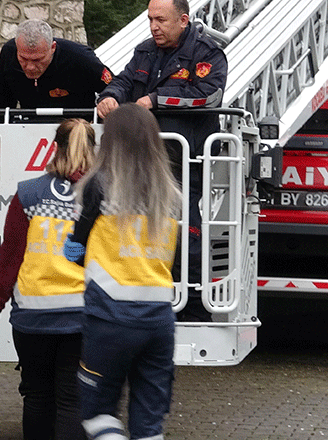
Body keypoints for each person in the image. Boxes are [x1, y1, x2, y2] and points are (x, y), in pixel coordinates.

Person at [96, 0, 227, 320]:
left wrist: (157, 100)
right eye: (151, 20)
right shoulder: (144, 51)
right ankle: (143, 304)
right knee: (138, 233)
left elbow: (209, 95)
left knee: (185, 233)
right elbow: (124, 81)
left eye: (161, 20)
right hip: (142, 161)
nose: (154, 26)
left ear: (183, 20)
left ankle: (194, 311)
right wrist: (109, 96)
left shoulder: (206, 53)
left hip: (185, 163)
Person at [0, 118, 96, 440]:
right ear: (93, 150)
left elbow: (10, 259)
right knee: (71, 402)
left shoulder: (29, 193)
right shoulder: (101, 199)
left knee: (37, 397)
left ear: (56, 147)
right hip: (82, 319)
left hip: (33, 319)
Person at [64, 103, 181, 440]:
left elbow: (76, 249)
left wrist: (77, 253)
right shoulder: (171, 193)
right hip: (160, 318)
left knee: (98, 413)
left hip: (110, 316)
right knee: (149, 422)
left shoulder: (98, 186)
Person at [0, 19, 113, 109]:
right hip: (29, 129)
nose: (30, 67)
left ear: (52, 48)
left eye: (37, 60)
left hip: (75, 129)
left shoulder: (81, 58)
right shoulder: (8, 53)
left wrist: (107, 100)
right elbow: (3, 99)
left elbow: (113, 86)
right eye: (23, 59)